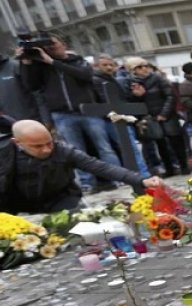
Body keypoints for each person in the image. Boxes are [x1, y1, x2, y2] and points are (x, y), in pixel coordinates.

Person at [18, 34, 123, 193]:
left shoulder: (78, 60)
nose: (50, 47)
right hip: (62, 114)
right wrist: (26, 62)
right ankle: (88, 183)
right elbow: (31, 86)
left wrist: (53, 62)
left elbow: (85, 75)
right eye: (47, 45)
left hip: (88, 111)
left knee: (104, 147)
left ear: (63, 44)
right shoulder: (41, 66)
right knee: (75, 152)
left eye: (53, 44)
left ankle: (119, 178)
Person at [0, 120, 162, 214]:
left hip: (59, 199)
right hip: (14, 202)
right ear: (17, 143)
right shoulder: (4, 154)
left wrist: (142, 180)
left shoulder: (63, 150)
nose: (46, 150)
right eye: (37, 146)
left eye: (49, 143)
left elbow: (101, 167)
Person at [123, 57, 189, 176]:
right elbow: (132, 102)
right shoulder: (131, 83)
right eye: (139, 67)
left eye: (145, 65)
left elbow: (170, 96)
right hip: (150, 117)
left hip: (167, 115)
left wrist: (164, 114)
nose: (144, 69)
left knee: (176, 141)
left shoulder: (157, 78)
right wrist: (138, 95)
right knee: (160, 144)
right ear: (132, 70)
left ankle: (184, 166)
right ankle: (169, 169)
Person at [92, 54, 150, 178]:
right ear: (97, 66)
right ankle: (139, 175)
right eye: (105, 65)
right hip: (110, 119)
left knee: (130, 148)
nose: (109, 67)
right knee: (124, 149)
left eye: (111, 65)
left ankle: (140, 174)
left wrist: (136, 96)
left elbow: (123, 100)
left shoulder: (114, 80)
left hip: (121, 117)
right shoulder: (96, 81)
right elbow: (104, 101)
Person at [0, 52, 40, 122]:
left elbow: (37, 92)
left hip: (29, 121)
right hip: (6, 125)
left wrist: (46, 119)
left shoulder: (16, 66)